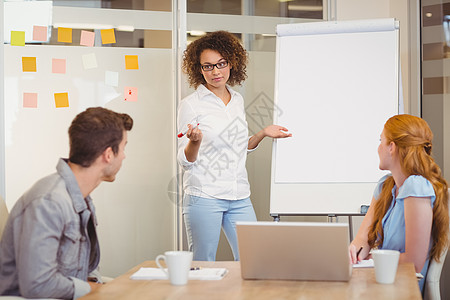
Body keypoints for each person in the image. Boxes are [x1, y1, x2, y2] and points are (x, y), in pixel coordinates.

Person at [177, 30, 292, 261]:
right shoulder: (190, 105)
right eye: (207, 66)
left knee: (253, 260)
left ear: (232, 63)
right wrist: (194, 142)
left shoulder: (237, 100)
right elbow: (184, 160)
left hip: (239, 195)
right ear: (199, 70)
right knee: (203, 264)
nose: (215, 71)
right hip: (205, 195)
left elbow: (239, 146)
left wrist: (262, 133)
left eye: (221, 63)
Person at [0, 107, 133, 299]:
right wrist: (93, 290)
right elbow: (38, 285)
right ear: (108, 154)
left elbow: (84, 270)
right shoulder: (49, 202)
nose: (124, 156)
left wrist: (99, 286)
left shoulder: (82, 199)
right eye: (123, 147)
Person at [349, 114, 449, 292]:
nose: (378, 148)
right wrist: (355, 252)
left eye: (381, 141)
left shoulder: (416, 187)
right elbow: (363, 238)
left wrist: (371, 258)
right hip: (381, 282)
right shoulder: (385, 186)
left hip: (402, 288)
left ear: (392, 147)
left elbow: (414, 262)